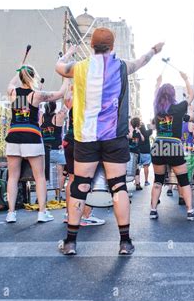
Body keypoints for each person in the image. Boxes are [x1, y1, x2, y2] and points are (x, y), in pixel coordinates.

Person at [56, 27, 164, 255]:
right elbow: (142, 61)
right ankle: (125, 242)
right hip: (115, 137)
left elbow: (59, 68)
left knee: (80, 186)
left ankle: (70, 243)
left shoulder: (80, 67)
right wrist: (155, 49)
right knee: (118, 187)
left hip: (86, 137)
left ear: (92, 46)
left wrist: (67, 53)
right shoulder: (122, 66)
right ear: (112, 47)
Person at [6, 65, 69, 224]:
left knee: (13, 177)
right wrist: (67, 76)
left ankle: (11, 213)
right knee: (39, 176)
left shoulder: (13, 92)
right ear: (33, 77)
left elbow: (11, 83)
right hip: (31, 136)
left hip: (13, 135)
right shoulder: (36, 95)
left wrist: (17, 71)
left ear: (20, 77)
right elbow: (60, 94)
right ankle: (42, 212)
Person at [149, 71, 194, 221]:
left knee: (158, 180)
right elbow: (191, 96)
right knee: (183, 180)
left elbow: (154, 95)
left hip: (158, 145)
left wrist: (157, 83)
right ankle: (190, 211)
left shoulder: (156, 108)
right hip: (174, 146)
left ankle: (153, 210)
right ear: (172, 95)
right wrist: (186, 79)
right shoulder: (179, 108)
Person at [62, 86, 105, 226]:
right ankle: (85, 215)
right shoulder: (92, 103)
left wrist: (70, 86)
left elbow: (65, 99)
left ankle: (70, 215)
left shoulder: (74, 101)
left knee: (72, 179)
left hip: (69, 140)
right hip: (83, 143)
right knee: (86, 180)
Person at [40, 101, 67, 201]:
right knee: (59, 174)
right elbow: (66, 106)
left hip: (44, 150)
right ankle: (58, 195)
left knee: (42, 174)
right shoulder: (58, 117)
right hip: (57, 149)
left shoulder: (41, 117)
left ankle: (42, 196)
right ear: (55, 108)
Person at [128, 117, 144, 191]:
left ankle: (136, 183)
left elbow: (129, 137)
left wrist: (131, 131)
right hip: (137, 152)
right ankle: (137, 184)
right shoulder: (138, 131)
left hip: (129, 152)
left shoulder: (131, 131)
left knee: (128, 168)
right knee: (137, 168)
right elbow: (143, 139)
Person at [138, 121, 153, 186]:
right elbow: (151, 128)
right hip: (146, 152)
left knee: (137, 167)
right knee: (146, 167)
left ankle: (137, 181)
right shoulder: (147, 133)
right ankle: (146, 181)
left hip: (139, 151)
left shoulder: (138, 133)